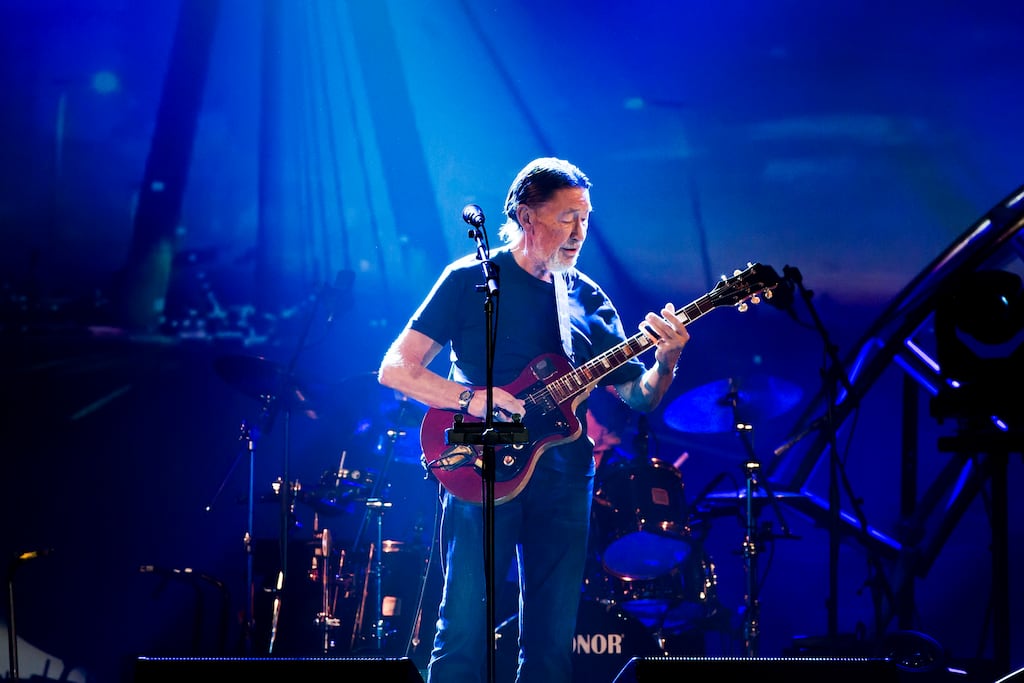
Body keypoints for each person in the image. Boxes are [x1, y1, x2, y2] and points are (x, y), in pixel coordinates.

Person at [377, 157, 690, 683]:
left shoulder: (587, 298)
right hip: (482, 469)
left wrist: (667, 359)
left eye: (585, 217)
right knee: (463, 635)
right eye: (566, 216)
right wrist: (474, 398)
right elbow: (396, 369)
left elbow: (638, 397)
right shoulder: (469, 281)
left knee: (550, 647)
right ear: (526, 215)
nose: (579, 230)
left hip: (566, 480)